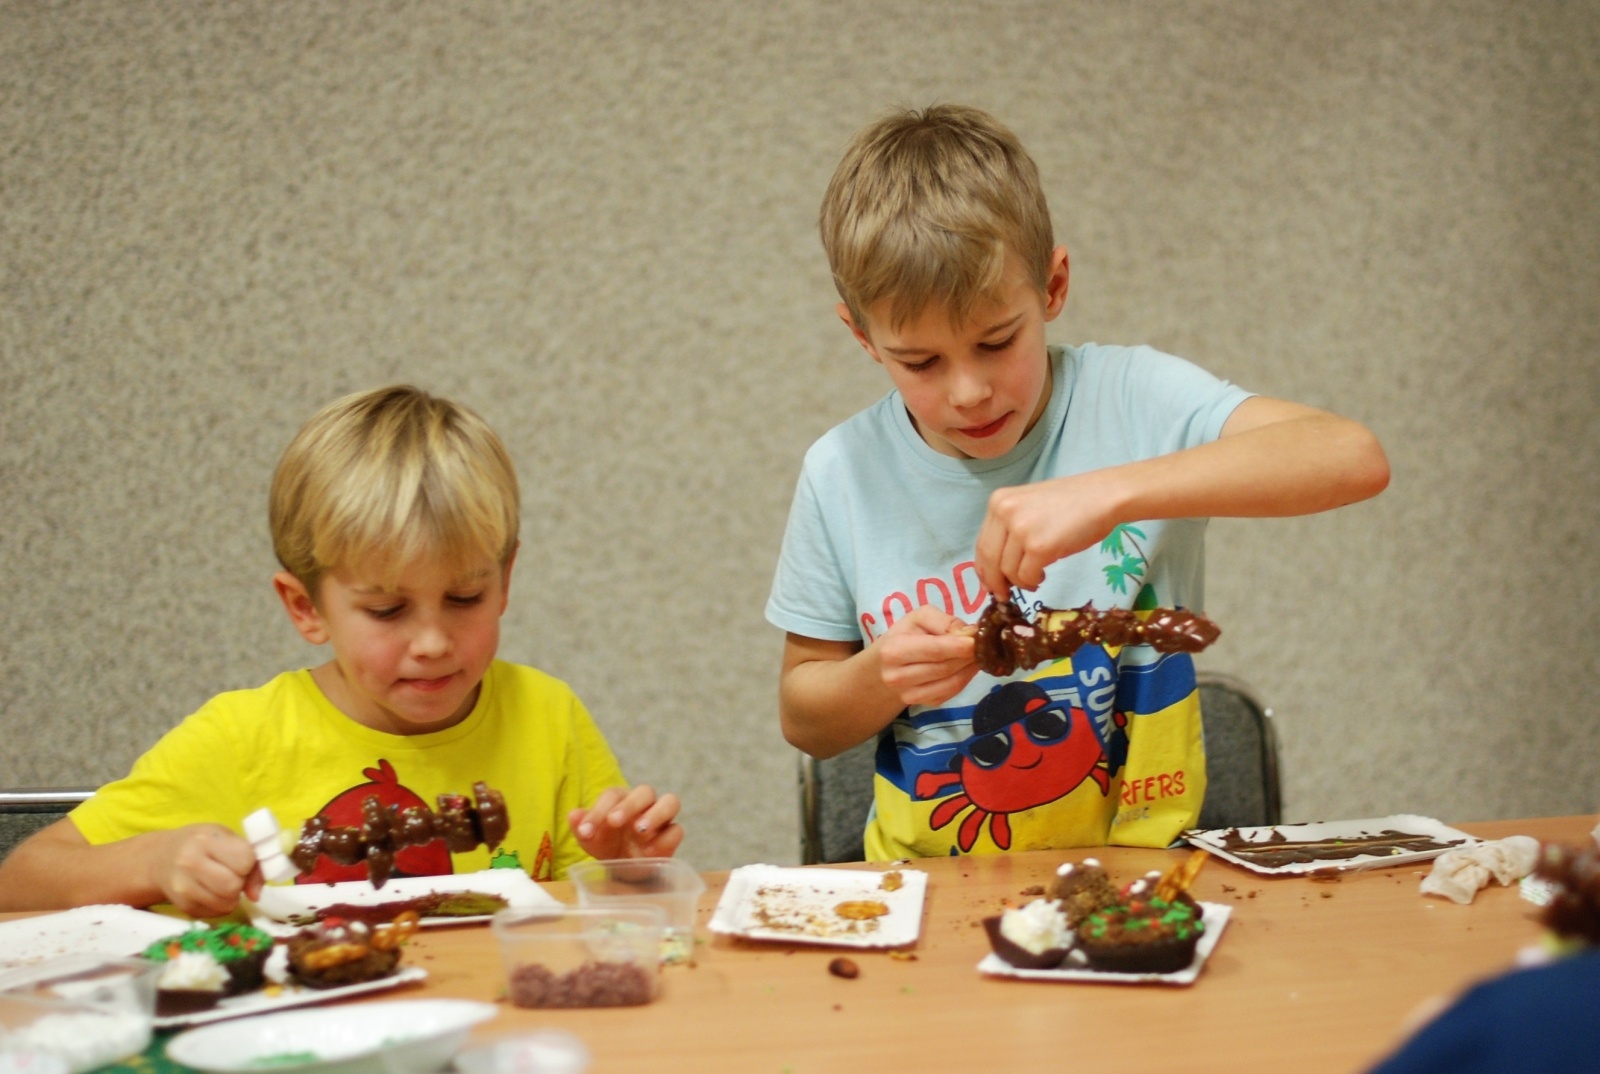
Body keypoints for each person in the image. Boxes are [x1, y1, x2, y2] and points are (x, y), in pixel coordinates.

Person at [767, 104, 1390, 861]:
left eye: (997, 342)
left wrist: (1110, 492)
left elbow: (1351, 456)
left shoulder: (1132, 398)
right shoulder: (842, 472)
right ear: (862, 337)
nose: (968, 391)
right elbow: (806, 716)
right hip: (928, 895)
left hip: (1145, 870)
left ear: (1053, 286)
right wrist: (882, 675)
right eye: (919, 362)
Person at [0, 385, 683, 917]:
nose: (433, 642)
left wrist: (626, 872)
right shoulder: (245, 738)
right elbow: (19, 884)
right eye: (386, 610)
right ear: (306, 607)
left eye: (465, 598)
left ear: (505, 581)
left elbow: (611, 930)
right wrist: (157, 860)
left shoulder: (547, 716)